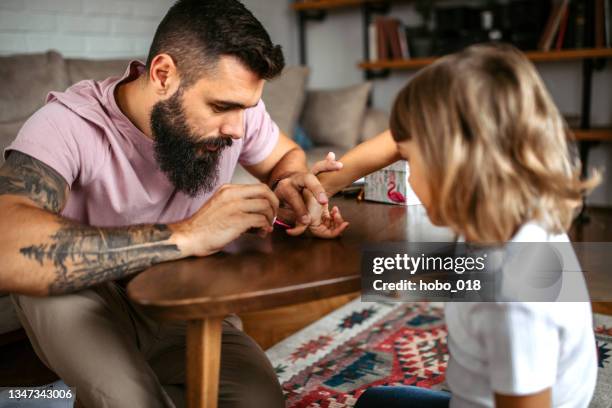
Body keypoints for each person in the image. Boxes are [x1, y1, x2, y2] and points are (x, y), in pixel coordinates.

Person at [0, 0, 347, 407]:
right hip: (81, 292)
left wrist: (290, 183)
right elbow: (7, 246)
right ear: (164, 75)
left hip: (177, 292)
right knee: (133, 400)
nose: (237, 129)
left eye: (245, 108)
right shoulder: (66, 124)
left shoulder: (238, 118)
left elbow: (285, 157)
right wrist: (187, 235)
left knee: (260, 400)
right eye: (221, 107)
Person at [316, 43, 600, 408]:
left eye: (411, 161)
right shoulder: (510, 214)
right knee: (377, 400)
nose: (410, 177)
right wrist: (324, 189)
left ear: (454, 164)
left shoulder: (515, 299)